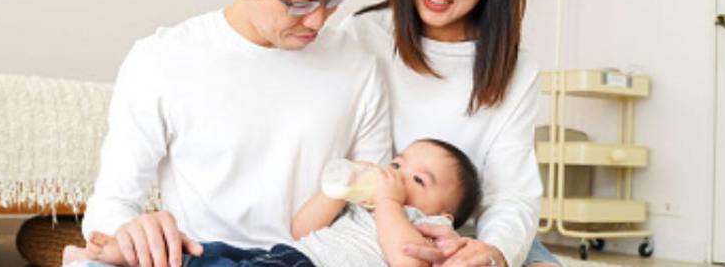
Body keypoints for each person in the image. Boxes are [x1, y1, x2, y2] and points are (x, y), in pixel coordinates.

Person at [81, 0, 391, 267]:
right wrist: (132, 231)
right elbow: (112, 203)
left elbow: (373, 208)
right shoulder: (162, 60)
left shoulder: (359, 66)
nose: (318, 20)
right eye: (300, 2)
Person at [342, 0, 560, 267]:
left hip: (468, 234)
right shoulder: (364, 36)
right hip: (375, 229)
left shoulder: (516, 69)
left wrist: (493, 252)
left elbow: (510, 195)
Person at [66, 138, 482, 267]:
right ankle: (120, 257)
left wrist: (390, 202)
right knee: (208, 252)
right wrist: (335, 191)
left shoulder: (431, 229)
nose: (398, 177)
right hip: (289, 255)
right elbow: (302, 229)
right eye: (397, 163)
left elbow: (407, 260)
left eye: (419, 179)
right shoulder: (368, 206)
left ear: (446, 213)